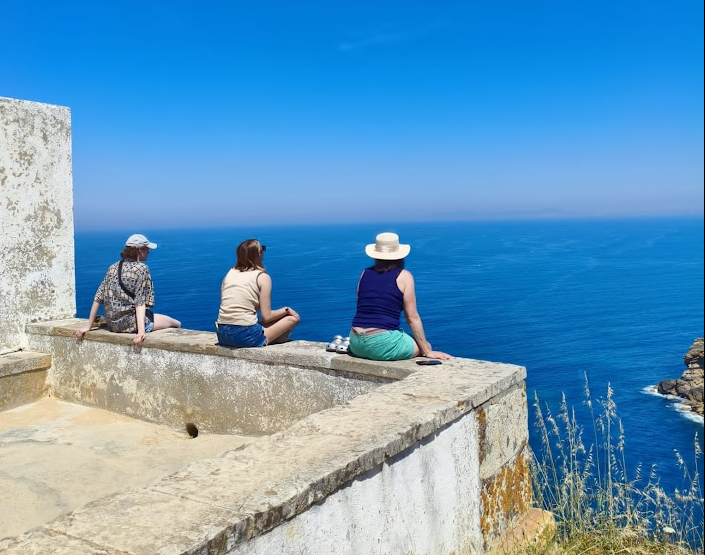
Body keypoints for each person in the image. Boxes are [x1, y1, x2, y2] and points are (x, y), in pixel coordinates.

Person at [348, 232, 452, 362]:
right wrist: (427, 351)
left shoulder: (364, 274)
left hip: (355, 342)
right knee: (423, 346)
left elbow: (364, 304)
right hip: (383, 344)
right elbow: (412, 316)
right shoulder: (404, 276)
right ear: (399, 256)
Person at [75, 234, 181, 347]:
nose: (149, 251)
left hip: (113, 325)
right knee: (176, 323)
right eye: (146, 249)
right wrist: (141, 332)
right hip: (131, 324)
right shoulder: (141, 269)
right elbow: (140, 303)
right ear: (139, 250)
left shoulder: (112, 268)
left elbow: (98, 297)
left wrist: (89, 326)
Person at [215, 238, 300, 348]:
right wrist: (286, 310)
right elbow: (267, 316)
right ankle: (264, 340)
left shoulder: (229, 274)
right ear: (258, 255)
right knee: (292, 319)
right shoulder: (262, 277)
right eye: (262, 249)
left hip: (222, 333)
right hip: (244, 335)